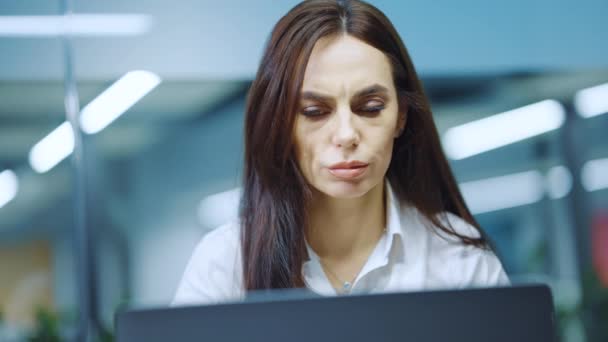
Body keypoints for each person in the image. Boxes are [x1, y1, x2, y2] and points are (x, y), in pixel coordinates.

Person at [172, 0, 509, 306]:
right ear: (281, 125)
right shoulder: (226, 262)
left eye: (371, 107)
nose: (347, 135)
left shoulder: (459, 259)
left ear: (401, 117)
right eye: (315, 111)